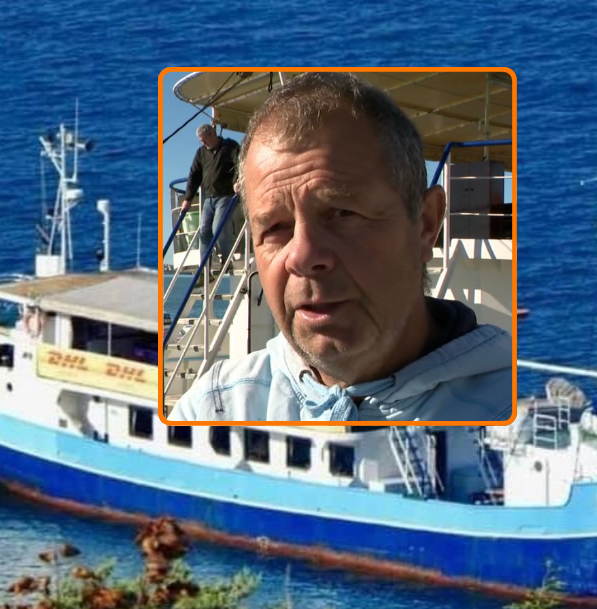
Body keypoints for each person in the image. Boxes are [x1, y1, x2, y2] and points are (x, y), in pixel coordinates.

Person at [170, 73, 512, 421]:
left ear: (424, 225)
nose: (302, 256)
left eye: (343, 213)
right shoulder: (211, 411)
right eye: (275, 228)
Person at [180, 124, 240, 265]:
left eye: (204, 140)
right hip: (209, 198)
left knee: (218, 228)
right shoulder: (201, 153)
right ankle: (204, 267)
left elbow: (239, 163)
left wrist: (237, 180)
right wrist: (188, 198)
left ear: (212, 134)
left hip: (226, 195)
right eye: (201, 141)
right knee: (204, 232)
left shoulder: (230, 146)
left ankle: (227, 261)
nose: (203, 143)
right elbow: (194, 175)